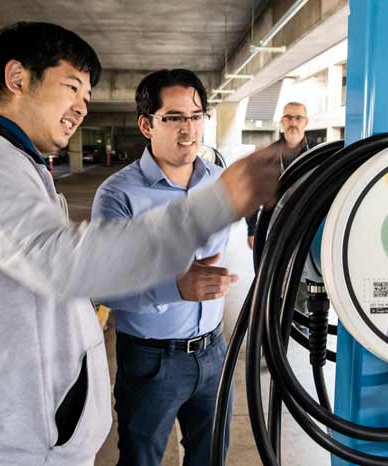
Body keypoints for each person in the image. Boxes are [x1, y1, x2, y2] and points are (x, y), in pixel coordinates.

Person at [0, 22, 281, 466]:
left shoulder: (16, 165)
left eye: (87, 98)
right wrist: (215, 207)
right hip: (15, 443)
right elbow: (73, 264)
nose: (81, 109)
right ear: (18, 79)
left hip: (195, 356)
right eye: (71, 88)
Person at [92, 69, 244, 466]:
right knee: (142, 459)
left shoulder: (220, 181)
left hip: (213, 351)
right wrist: (175, 287)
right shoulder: (119, 195)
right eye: (174, 117)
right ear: (147, 124)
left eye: (196, 116)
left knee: (210, 456)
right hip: (151, 362)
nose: (189, 129)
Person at [246, 101, 310, 249]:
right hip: (273, 226)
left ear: (306, 122)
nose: (293, 122)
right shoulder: (268, 156)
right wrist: (252, 230)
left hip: (307, 225)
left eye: (298, 118)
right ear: (282, 121)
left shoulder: (316, 155)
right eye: (288, 117)